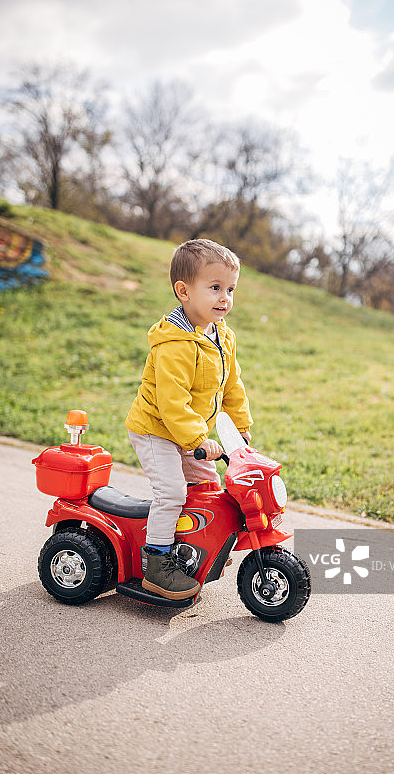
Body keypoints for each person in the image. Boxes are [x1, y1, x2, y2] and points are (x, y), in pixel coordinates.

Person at [125, 238, 252, 600]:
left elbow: (232, 385)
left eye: (230, 289)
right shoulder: (175, 344)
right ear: (183, 291)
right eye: (215, 288)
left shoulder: (221, 336)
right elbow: (172, 403)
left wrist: (240, 429)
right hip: (157, 430)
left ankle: (195, 545)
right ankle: (157, 564)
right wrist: (198, 439)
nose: (224, 298)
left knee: (208, 489)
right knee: (172, 493)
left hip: (190, 434)